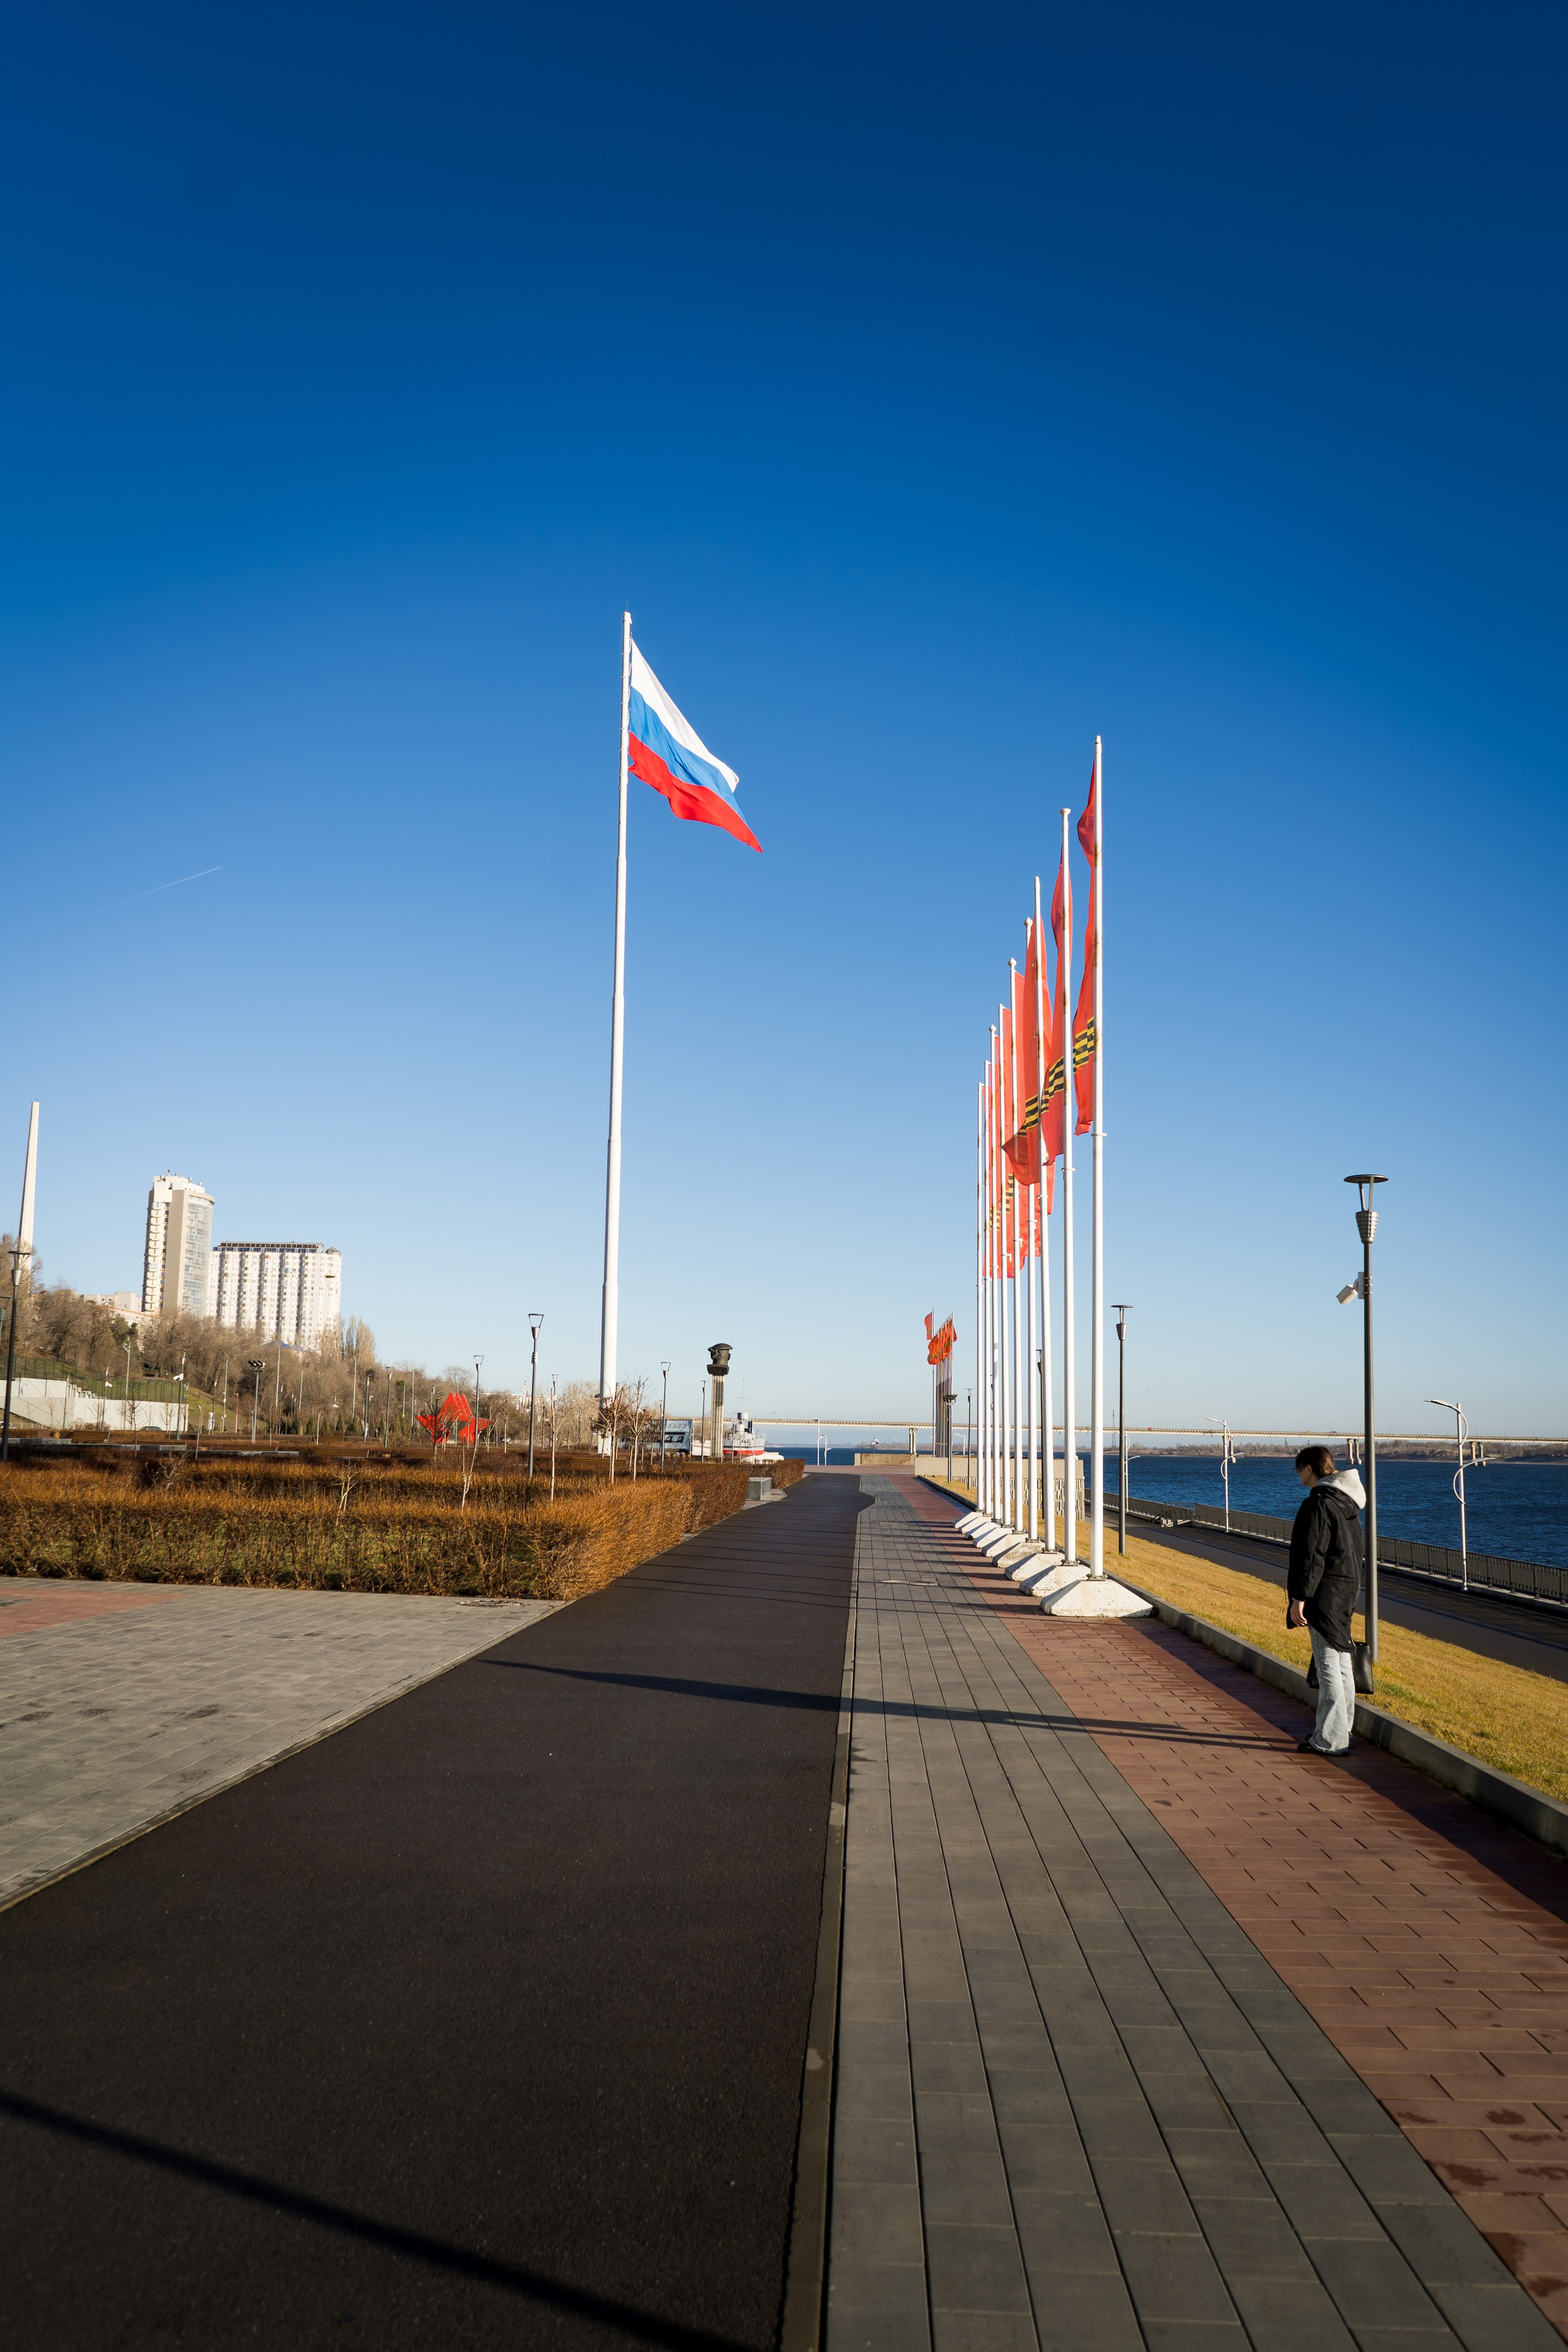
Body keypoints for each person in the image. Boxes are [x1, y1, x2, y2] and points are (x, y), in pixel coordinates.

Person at [1286, 1443, 1366, 1757]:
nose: (1298, 1475)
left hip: (1324, 1593)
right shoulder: (1347, 1504)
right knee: (1342, 1661)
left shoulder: (1319, 1503)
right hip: (1345, 1590)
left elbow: (1312, 1555)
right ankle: (1341, 1731)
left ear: (1309, 1468)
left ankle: (1330, 1740)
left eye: (1299, 1469)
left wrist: (1300, 1597)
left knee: (1328, 1664)